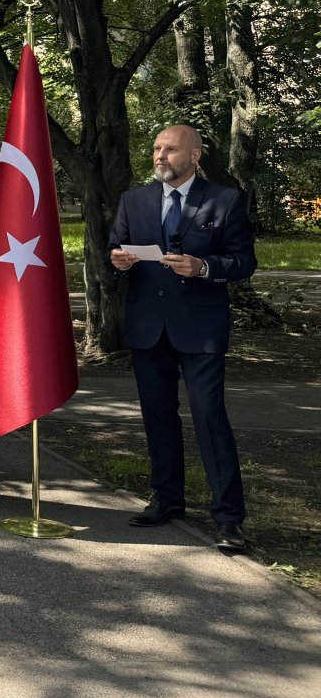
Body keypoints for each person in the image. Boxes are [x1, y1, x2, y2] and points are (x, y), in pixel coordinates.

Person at [109, 124, 256, 553]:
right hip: (148, 326)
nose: (160, 156)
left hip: (200, 328)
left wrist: (204, 267)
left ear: (194, 156)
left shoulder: (224, 200)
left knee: (209, 418)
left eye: (170, 150)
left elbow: (244, 261)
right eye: (156, 148)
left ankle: (229, 518)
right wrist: (118, 259)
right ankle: (167, 500)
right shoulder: (133, 200)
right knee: (157, 417)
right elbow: (116, 247)